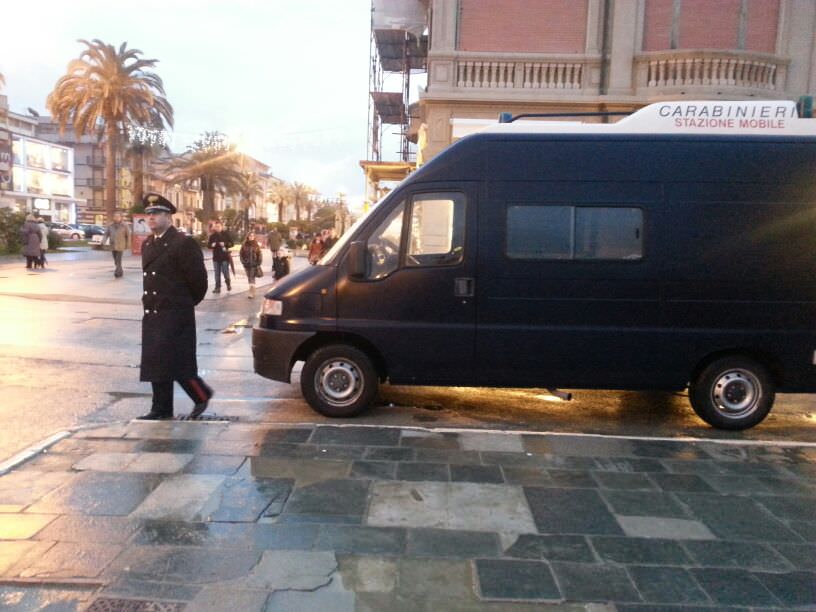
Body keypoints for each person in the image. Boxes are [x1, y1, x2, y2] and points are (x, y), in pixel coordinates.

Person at [138, 193, 212, 420]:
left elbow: (198, 282)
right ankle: (160, 408)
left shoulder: (183, 243)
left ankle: (201, 395)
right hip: (153, 312)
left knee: (178, 362)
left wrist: (184, 304)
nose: (151, 218)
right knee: (156, 363)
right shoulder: (149, 243)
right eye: (149, 214)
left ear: (169, 216)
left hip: (175, 314)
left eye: (157, 213)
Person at [207, 221, 233, 294]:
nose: (217, 228)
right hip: (216, 257)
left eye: (218, 226)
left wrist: (225, 244)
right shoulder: (213, 236)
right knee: (217, 273)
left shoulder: (226, 234)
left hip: (224, 257)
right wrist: (212, 245)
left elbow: (232, 243)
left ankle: (228, 284)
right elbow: (208, 245)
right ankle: (217, 288)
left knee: (225, 271)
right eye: (216, 226)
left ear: (221, 227)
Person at [104, 211, 131, 278]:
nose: (116, 218)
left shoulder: (125, 225)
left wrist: (128, 244)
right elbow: (106, 234)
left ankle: (117, 273)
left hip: (121, 245)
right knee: (115, 260)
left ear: (121, 218)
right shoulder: (110, 225)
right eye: (115, 216)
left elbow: (128, 235)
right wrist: (104, 241)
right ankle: (120, 271)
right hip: (113, 245)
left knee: (118, 259)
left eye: (118, 217)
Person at [239, 231, 263, 299]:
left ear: (254, 237)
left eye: (252, 236)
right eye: (250, 236)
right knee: (249, 277)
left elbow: (259, 255)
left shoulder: (256, 245)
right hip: (246, 265)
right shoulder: (244, 244)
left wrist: (258, 263)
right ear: (248, 237)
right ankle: (253, 290)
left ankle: (251, 292)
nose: (251, 237)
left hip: (254, 264)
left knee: (251, 277)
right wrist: (243, 262)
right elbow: (241, 254)